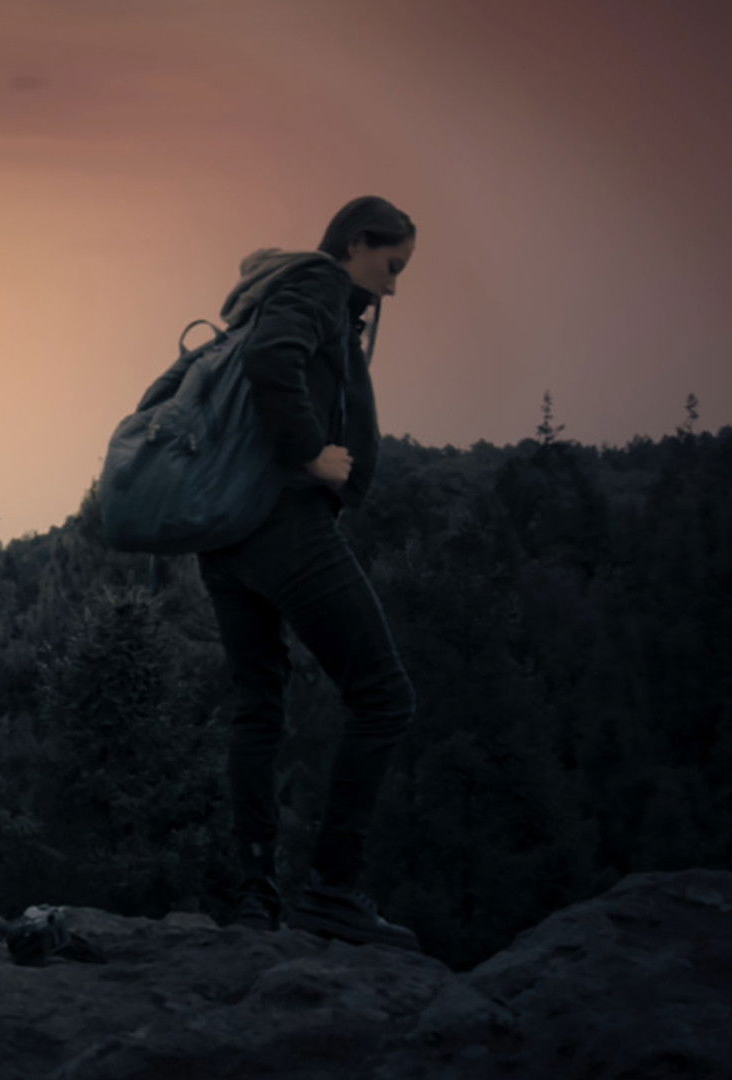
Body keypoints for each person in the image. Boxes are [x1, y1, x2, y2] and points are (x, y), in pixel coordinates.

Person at [197, 195, 420, 950]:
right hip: (282, 521)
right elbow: (271, 364)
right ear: (358, 244)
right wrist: (311, 454)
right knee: (384, 698)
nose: (394, 286)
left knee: (259, 706)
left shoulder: (289, 293)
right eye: (392, 266)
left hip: (228, 531)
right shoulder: (318, 285)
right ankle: (330, 891)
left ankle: (255, 898)